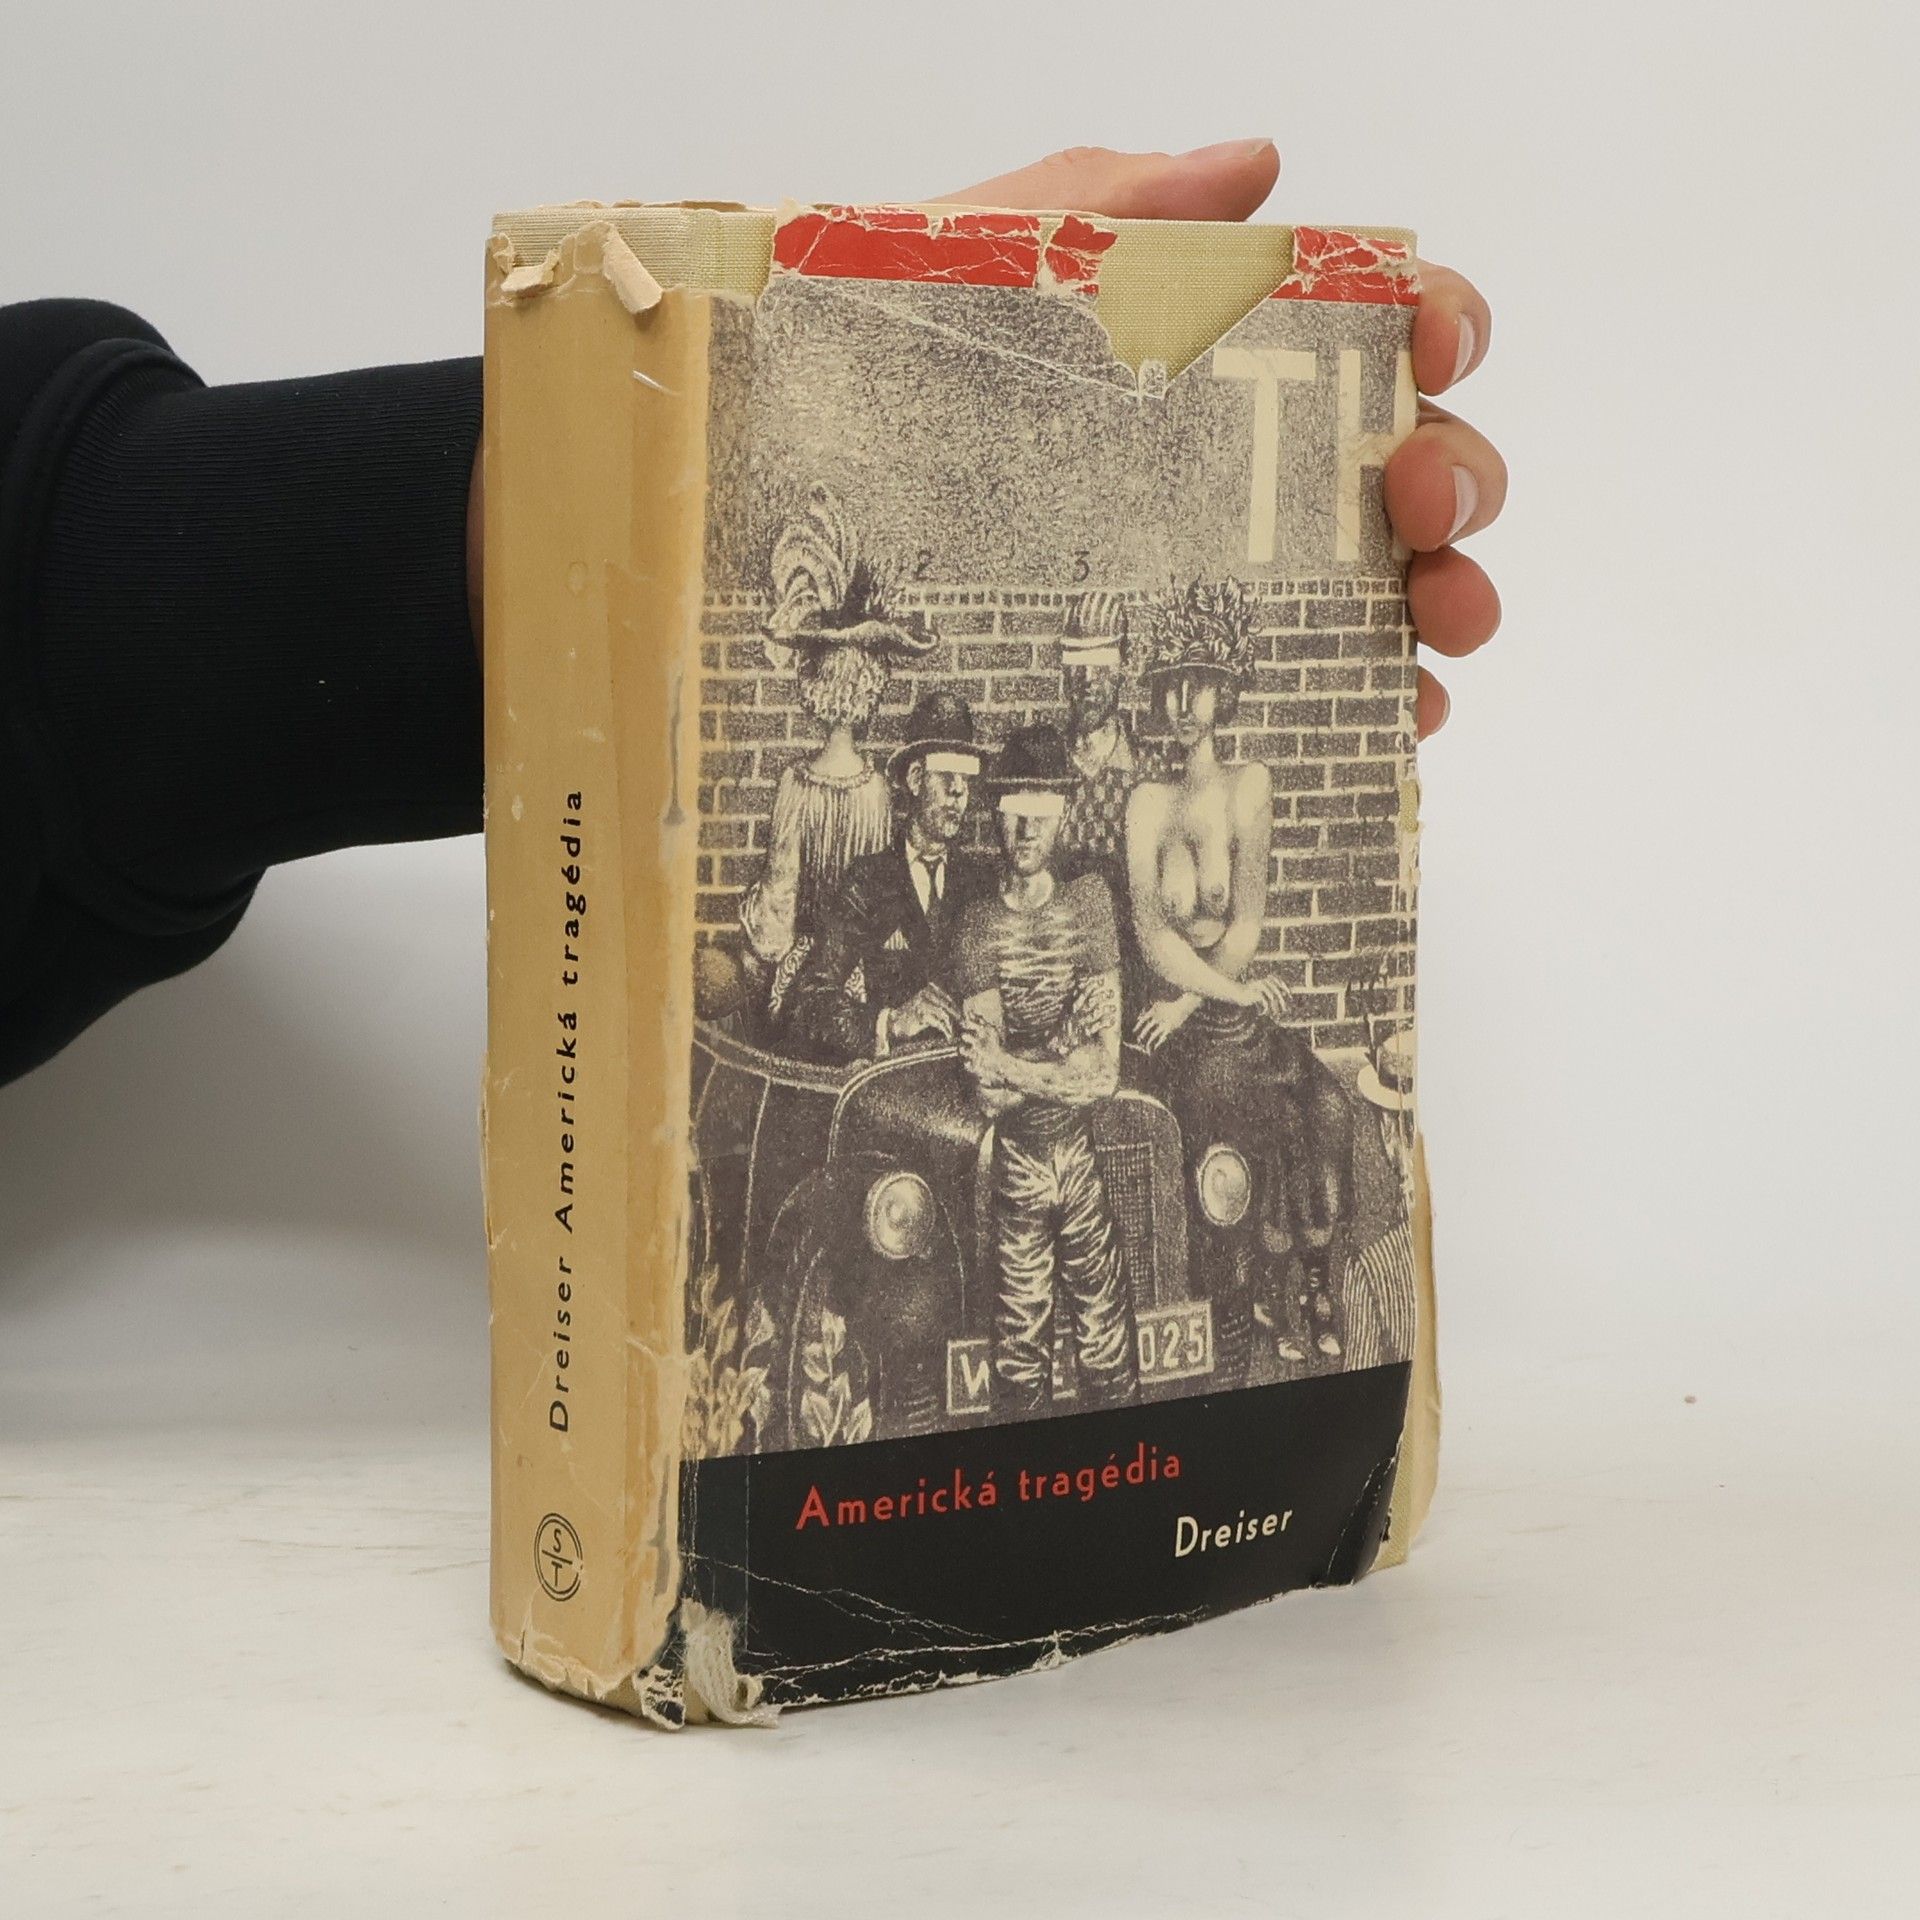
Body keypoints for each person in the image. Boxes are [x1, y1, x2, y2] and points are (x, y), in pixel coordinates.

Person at [0, 139, 1505, 1090]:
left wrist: (709, 403)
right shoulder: (865, 822)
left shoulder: (1099, 831)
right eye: (959, 781)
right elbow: (832, 921)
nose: (982, 803)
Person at [1124, 578, 1359, 1377]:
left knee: (1323, 1107)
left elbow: (1247, 922)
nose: (1182, 703)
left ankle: (1317, 1283)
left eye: (1198, 685)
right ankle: (1255, 1293)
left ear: (1223, 693)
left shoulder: (1248, 785)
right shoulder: (1146, 803)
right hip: (1182, 1036)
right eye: (1171, 685)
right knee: (1235, 1123)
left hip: (1222, 1014)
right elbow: (1153, 936)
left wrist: (1201, 998)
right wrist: (1201, 999)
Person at [952, 725, 1136, 1416]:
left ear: (1062, 813)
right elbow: (988, 1096)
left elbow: (1102, 1074)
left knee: (1108, 1351)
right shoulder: (976, 926)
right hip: (1018, 1169)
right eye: (1013, 810)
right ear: (995, 815)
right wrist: (1062, 1045)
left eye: (1042, 809)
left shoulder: (1089, 904)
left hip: (1081, 1162)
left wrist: (1011, 1061)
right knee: (1020, 1358)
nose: (1027, 828)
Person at [738, 488, 930, 1020]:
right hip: (859, 976)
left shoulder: (795, 784)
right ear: (870, 684)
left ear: (814, 682)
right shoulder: (876, 787)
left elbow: (780, 898)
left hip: (806, 970)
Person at [779, 690, 993, 1065]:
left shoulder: (981, 882)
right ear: (915, 779)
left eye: (967, 777)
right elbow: (810, 997)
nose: (959, 790)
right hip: (894, 1075)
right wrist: (889, 1023)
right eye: (947, 775)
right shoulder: (869, 880)